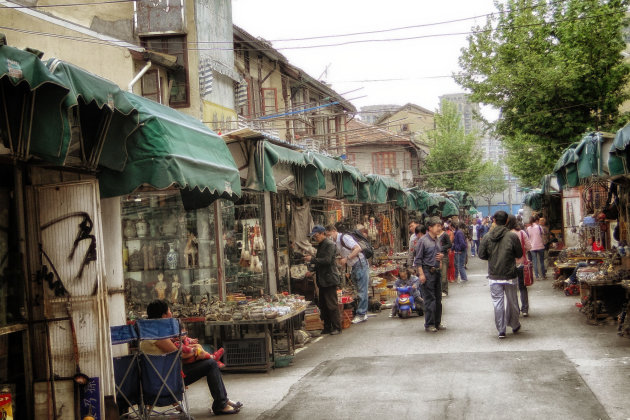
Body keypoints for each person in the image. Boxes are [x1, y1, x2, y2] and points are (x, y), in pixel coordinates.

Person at [143, 300, 242, 415]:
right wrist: (195, 350)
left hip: (159, 376)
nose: (171, 313)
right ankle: (221, 404)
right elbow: (179, 355)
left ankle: (223, 400)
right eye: (169, 310)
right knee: (210, 364)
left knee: (209, 362)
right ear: (164, 316)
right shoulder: (159, 335)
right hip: (167, 379)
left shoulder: (148, 332)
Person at [478, 211, 523, 339]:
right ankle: (514, 324)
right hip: (510, 274)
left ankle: (501, 330)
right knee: (512, 301)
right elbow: (519, 254)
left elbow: (481, 254)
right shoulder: (512, 236)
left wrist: (492, 257)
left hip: (494, 275)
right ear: (507, 220)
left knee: (498, 302)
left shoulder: (487, 236)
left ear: (494, 220)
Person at [326, 224, 369, 324]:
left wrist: (347, 258)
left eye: (328, 234)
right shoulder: (336, 242)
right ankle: (363, 312)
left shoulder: (344, 238)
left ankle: (361, 314)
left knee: (362, 290)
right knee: (359, 290)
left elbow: (358, 248)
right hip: (354, 266)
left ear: (333, 231)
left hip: (360, 264)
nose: (328, 237)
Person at [305, 225, 342, 335]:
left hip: (329, 279)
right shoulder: (321, 245)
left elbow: (326, 260)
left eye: (317, 236)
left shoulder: (329, 245)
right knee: (323, 305)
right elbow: (320, 262)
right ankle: (327, 326)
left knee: (332, 304)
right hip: (323, 279)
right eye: (314, 237)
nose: (316, 238)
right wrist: (312, 270)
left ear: (322, 234)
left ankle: (336, 327)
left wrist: (312, 259)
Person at [413, 217, 446, 333]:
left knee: (438, 299)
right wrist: (421, 274)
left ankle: (437, 322)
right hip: (427, 272)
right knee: (429, 300)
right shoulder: (423, 241)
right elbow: (418, 260)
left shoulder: (437, 240)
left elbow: (439, 254)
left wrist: (441, 259)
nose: (439, 228)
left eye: (440, 225)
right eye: (437, 226)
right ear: (430, 228)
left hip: (436, 272)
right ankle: (429, 324)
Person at [507, 215, 530, 317]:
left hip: (510, 264)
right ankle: (525, 309)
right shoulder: (521, 233)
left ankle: (515, 309)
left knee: (512, 288)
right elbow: (529, 246)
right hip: (521, 263)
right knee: (523, 287)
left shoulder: (506, 234)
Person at [526, 215, 546, 280]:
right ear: (536, 220)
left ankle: (536, 276)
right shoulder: (539, 227)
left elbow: (528, 237)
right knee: (541, 261)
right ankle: (543, 275)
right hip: (540, 246)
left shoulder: (528, 228)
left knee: (534, 262)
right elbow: (542, 234)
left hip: (532, 247)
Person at [438, 226, 452, 297]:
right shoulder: (433, 235)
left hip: (444, 256)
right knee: (438, 275)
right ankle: (439, 290)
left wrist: (442, 248)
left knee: (444, 275)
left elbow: (449, 244)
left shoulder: (445, 235)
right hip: (436, 257)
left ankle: (444, 290)